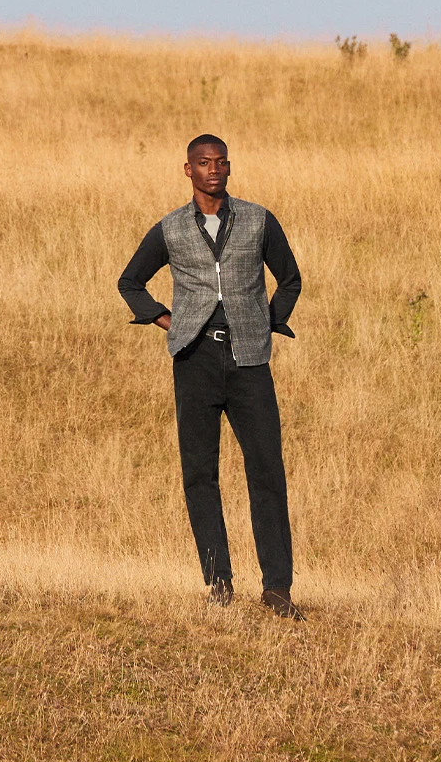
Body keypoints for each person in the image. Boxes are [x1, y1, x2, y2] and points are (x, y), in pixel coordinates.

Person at [117, 135, 304, 618]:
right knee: (201, 474)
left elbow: (290, 277)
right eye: (204, 163)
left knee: (267, 472)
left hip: (250, 362)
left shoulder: (259, 220)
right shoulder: (171, 228)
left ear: (229, 167)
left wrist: (270, 319)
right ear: (188, 170)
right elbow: (130, 281)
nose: (213, 169)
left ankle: (278, 589)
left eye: (220, 162)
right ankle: (218, 581)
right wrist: (168, 321)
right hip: (194, 361)